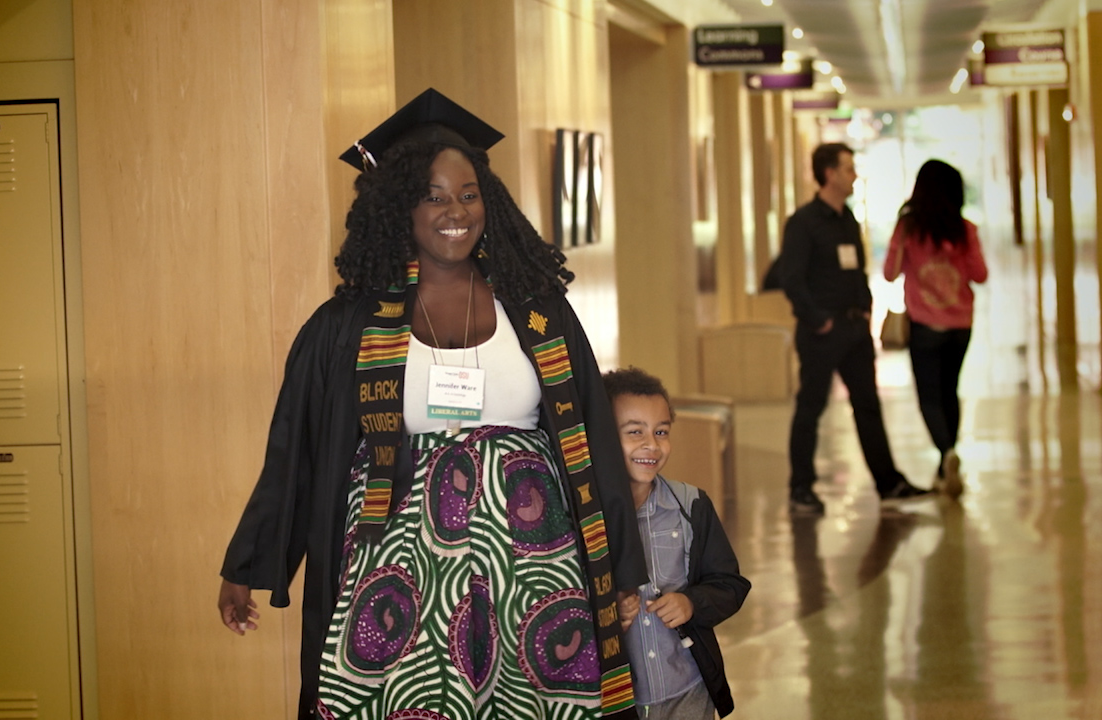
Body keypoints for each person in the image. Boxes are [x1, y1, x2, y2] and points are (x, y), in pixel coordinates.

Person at [216, 89, 648, 720]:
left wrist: (620, 564)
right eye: (434, 195)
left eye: (469, 193)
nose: (456, 211)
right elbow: (296, 449)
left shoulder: (536, 310)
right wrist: (248, 562)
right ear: (400, 207)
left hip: (532, 561)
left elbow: (592, 443)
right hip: (399, 565)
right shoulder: (349, 326)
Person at [779, 143, 930, 515]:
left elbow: (857, 269)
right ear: (829, 174)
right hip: (821, 332)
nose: (853, 176)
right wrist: (820, 320)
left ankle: (889, 482)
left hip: (854, 330)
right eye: (848, 169)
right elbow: (791, 280)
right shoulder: (803, 223)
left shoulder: (847, 218)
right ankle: (801, 488)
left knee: (868, 405)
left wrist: (864, 309)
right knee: (810, 407)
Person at [602, 367, 750, 719]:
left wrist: (691, 603)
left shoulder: (691, 505)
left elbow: (730, 584)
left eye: (661, 431)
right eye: (634, 431)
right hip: (617, 701)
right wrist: (607, 616)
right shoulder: (584, 520)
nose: (651, 445)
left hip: (688, 690)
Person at [884, 159, 988, 496]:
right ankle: (948, 461)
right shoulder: (965, 229)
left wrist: (904, 239)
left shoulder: (909, 229)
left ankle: (946, 454)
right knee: (949, 391)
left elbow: (889, 271)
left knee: (929, 397)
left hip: (925, 324)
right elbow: (980, 274)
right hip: (960, 324)